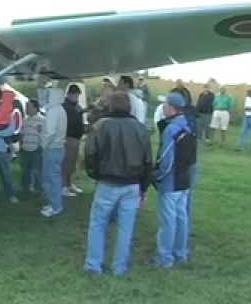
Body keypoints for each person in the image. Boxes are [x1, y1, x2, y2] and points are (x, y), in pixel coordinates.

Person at [83, 91, 152, 276]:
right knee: (126, 227)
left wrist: (96, 175)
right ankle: (119, 267)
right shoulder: (140, 128)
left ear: (110, 106)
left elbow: (89, 154)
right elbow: (148, 161)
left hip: (107, 181)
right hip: (132, 184)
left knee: (98, 223)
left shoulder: (100, 126)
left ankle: (93, 265)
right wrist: (144, 188)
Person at [153, 93, 196, 268]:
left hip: (170, 181)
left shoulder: (171, 129)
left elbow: (166, 159)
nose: (163, 108)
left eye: (165, 105)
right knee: (181, 217)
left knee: (168, 221)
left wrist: (158, 176)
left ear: (171, 107)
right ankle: (181, 253)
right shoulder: (189, 124)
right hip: (185, 178)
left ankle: (165, 258)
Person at [40, 88, 67, 217]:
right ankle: (54, 204)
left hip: (51, 149)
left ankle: (55, 206)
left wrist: (43, 146)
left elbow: (50, 132)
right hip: (59, 147)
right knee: (55, 178)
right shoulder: (61, 110)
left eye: (48, 95)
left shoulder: (52, 111)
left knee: (50, 179)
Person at [62, 84, 85, 197]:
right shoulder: (65, 107)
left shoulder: (77, 107)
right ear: (70, 94)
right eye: (75, 95)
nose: (76, 97)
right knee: (67, 163)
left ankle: (70, 184)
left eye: (78, 95)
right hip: (68, 138)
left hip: (76, 139)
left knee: (73, 164)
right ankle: (64, 186)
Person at [20, 99, 44, 193]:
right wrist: (21, 145)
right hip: (25, 149)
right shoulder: (25, 120)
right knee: (25, 171)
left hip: (36, 149)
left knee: (37, 171)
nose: (26, 109)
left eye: (29, 107)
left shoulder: (42, 120)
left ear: (35, 108)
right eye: (26, 107)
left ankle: (39, 189)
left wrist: (41, 147)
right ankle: (25, 188)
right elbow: (22, 134)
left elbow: (44, 134)